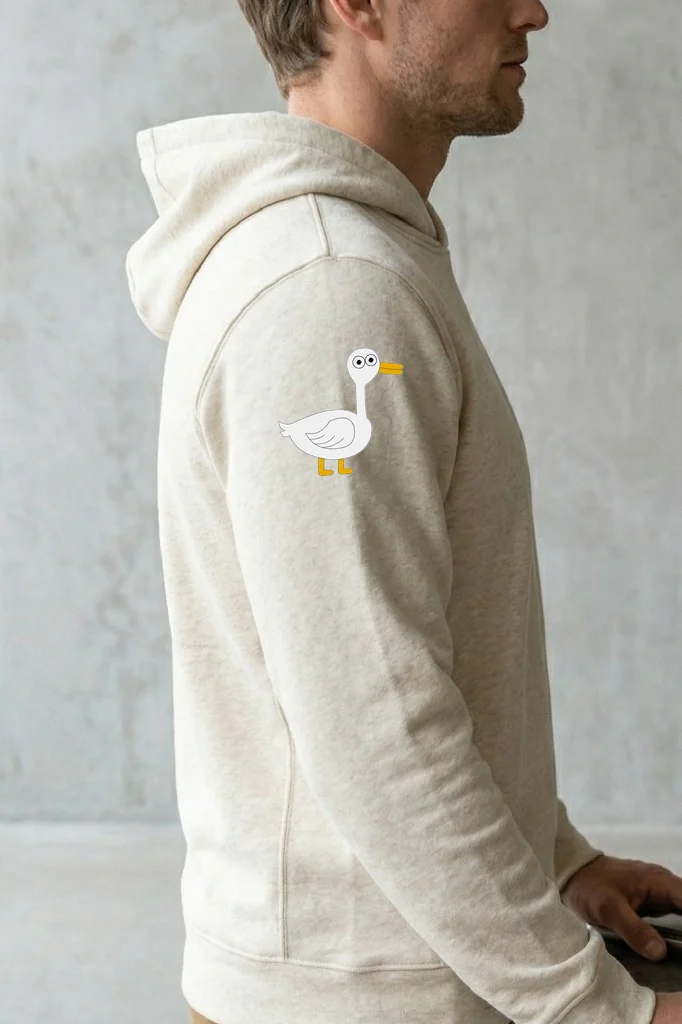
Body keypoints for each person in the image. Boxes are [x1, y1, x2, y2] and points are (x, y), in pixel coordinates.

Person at [125, 0, 682, 1021]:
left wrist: (554, 860)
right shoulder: (329, 288)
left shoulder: (357, 256)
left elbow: (395, 658)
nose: (533, 11)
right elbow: (376, 724)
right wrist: (600, 1007)